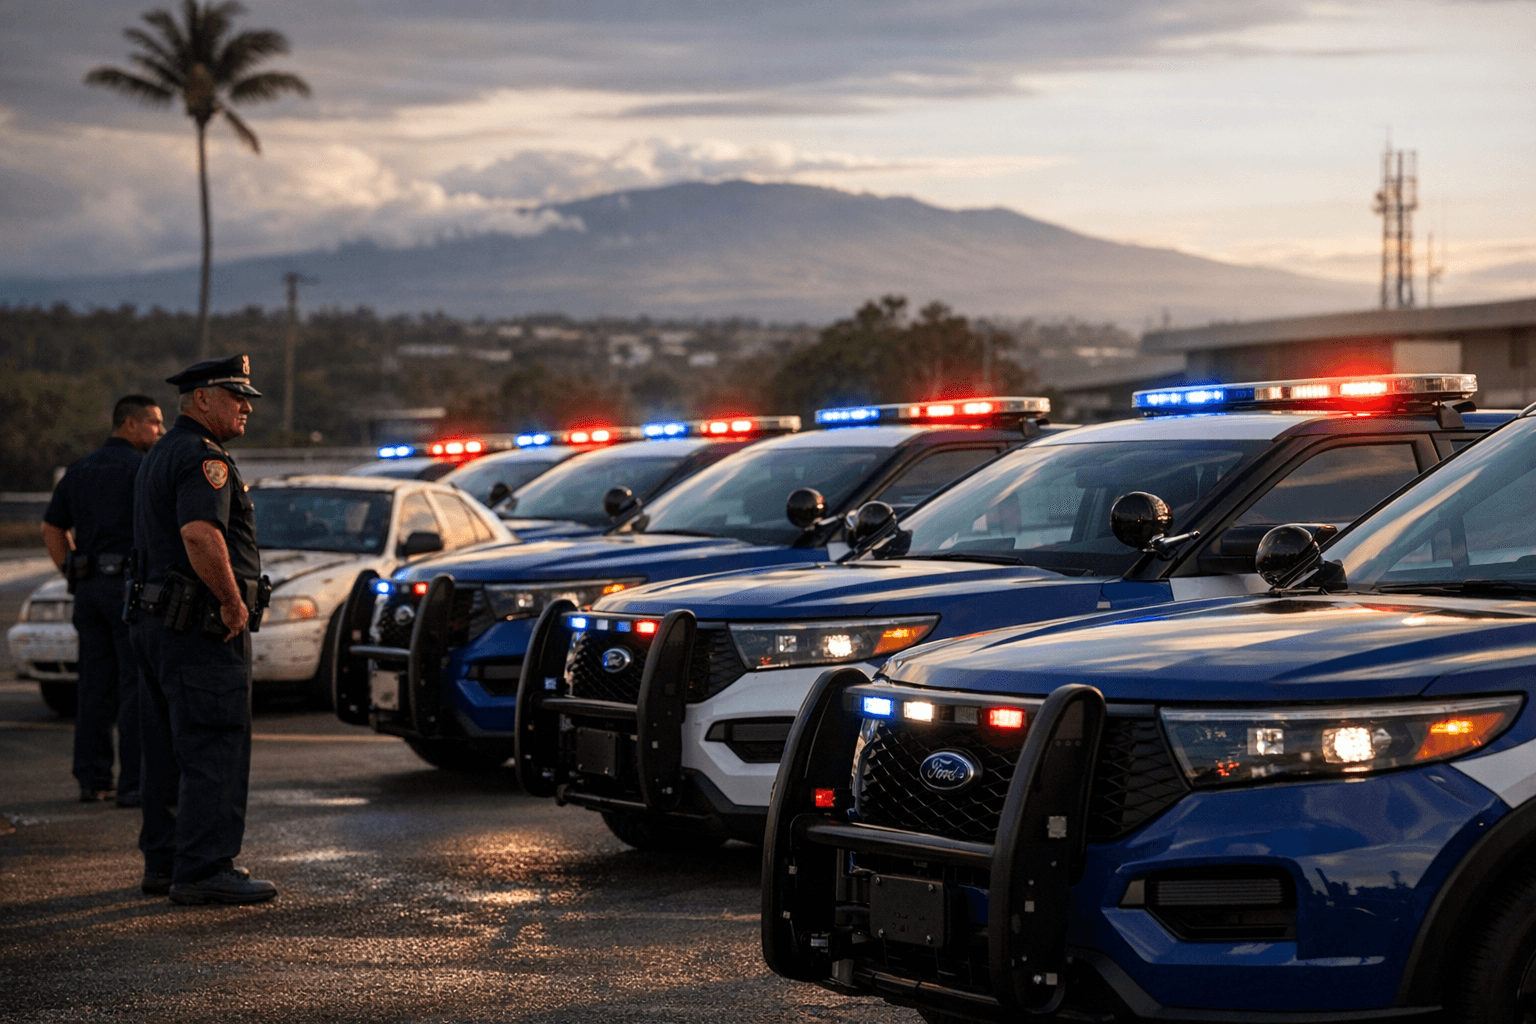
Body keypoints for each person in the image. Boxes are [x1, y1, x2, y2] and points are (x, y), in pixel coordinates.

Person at [130, 355, 275, 905]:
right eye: (236, 396)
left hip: (157, 626)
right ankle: (204, 869)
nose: (245, 406)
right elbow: (199, 535)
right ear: (201, 399)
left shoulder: (163, 452)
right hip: (200, 630)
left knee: (165, 752)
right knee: (214, 747)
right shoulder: (203, 457)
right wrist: (232, 603)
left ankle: (165, 864)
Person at [42, 395, 165, 805]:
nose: (160, 432)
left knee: (93, 688)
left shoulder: (79, 470)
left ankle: (93, 779)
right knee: (135, 687)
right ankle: (132, 784)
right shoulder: (143, 469)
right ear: (129, 425)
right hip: (129, 589)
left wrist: (72, 571)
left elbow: (52, 529)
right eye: (154, 423)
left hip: (89, 590)